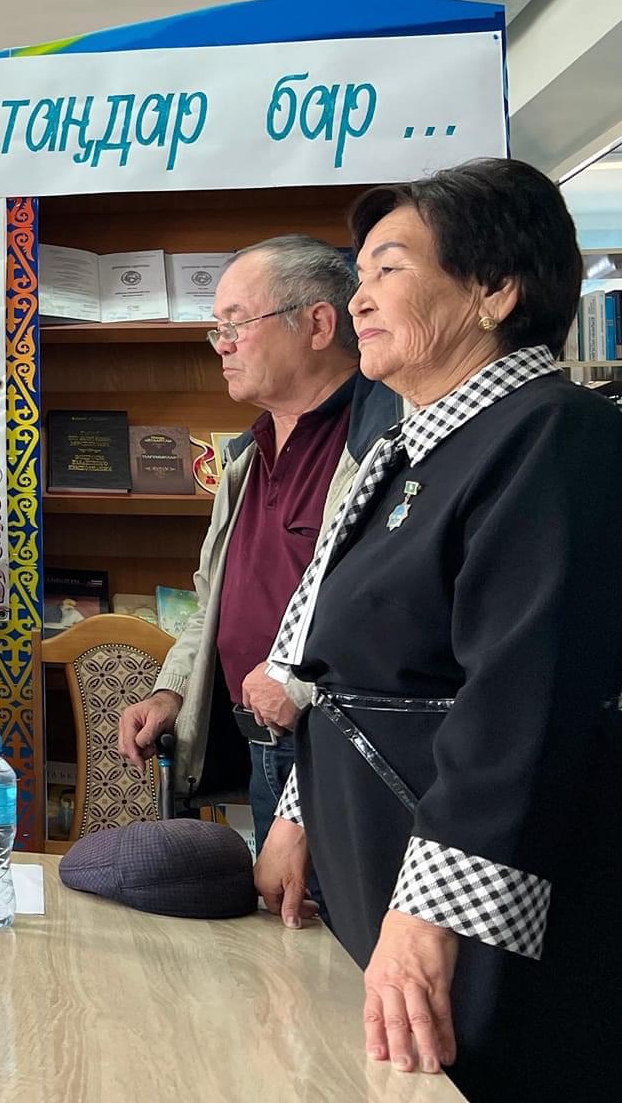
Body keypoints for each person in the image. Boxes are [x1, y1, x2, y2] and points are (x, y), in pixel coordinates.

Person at [252, 159, 621, 1099]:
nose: (358, 298)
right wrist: (299, 816)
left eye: (390, 268)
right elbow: (346, 668)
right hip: (375, 875)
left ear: (496, 290)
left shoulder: (554, 434)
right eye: (359, 273)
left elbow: (523, 702)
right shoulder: (411, 448)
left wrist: (429, 922)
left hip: (471, 917)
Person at [115, 235, 395, 850]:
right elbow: (213, 601)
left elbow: (392, 609)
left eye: (237, 324)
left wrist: (298, 682)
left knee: (342, 911)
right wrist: (174, 690)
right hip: (263, 744)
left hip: (344, 750)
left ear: (318, 325)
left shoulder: (387, 445)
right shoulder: (246, 456)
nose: (223, 345)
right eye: (217, 329)